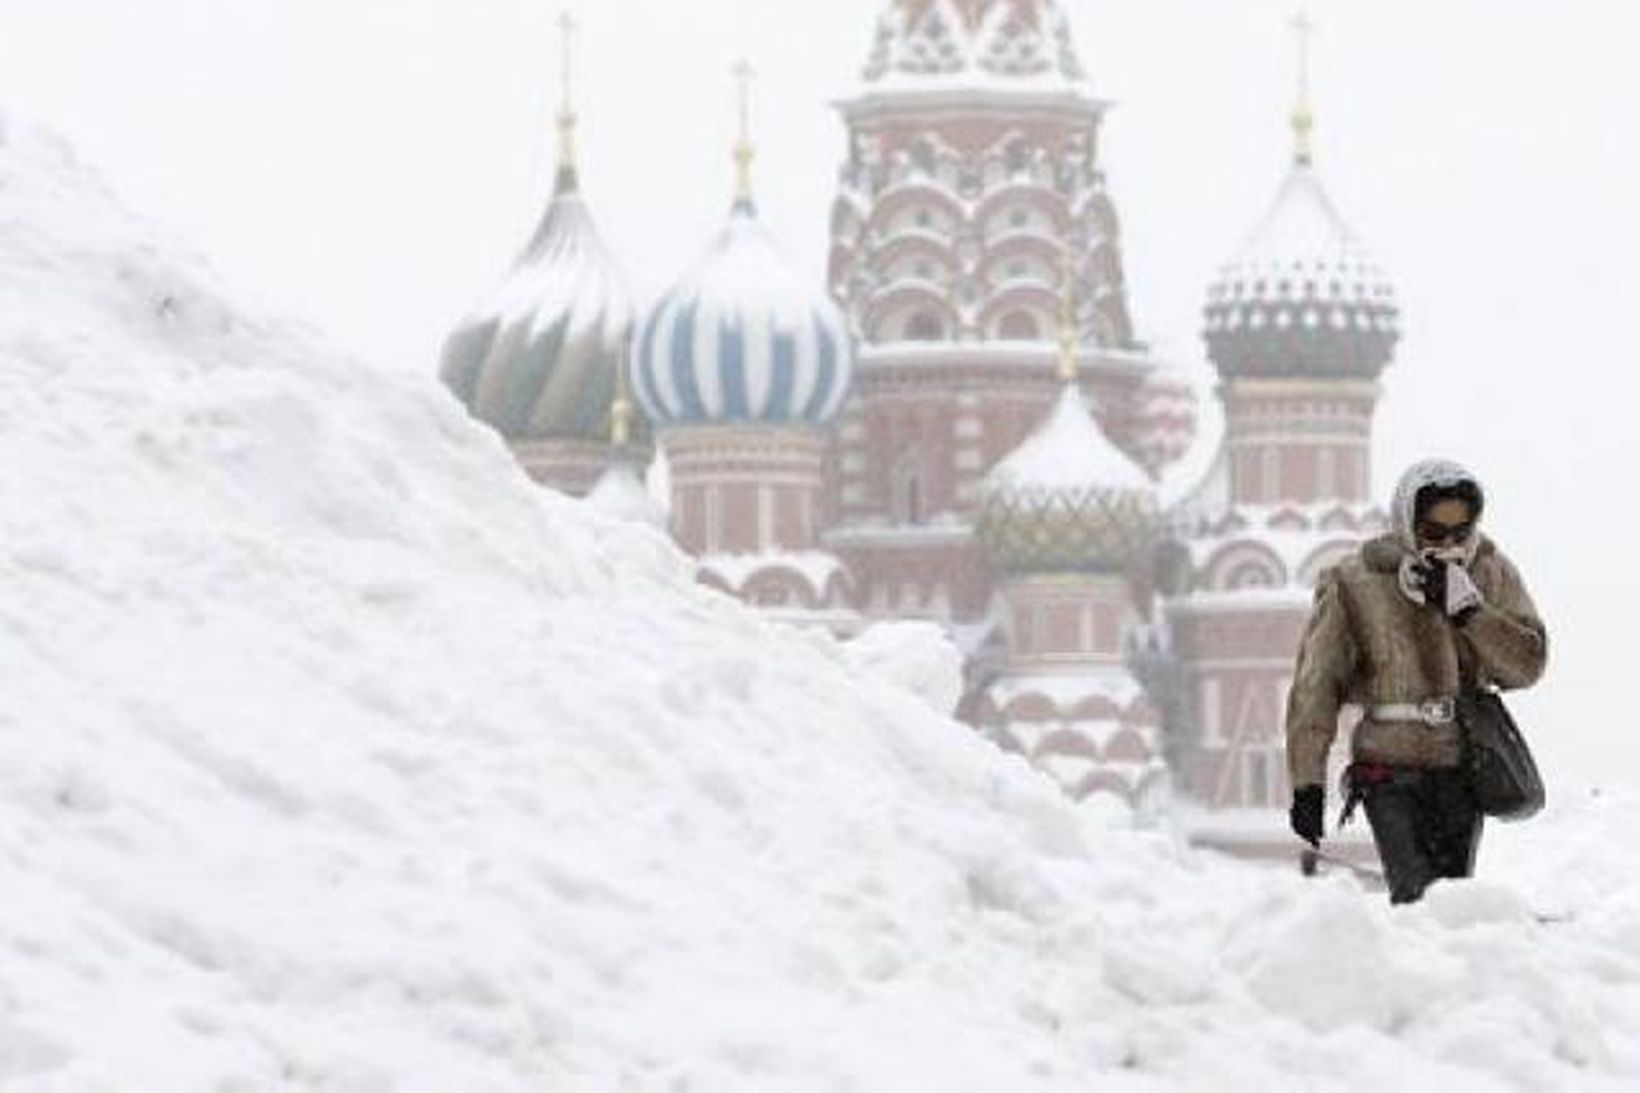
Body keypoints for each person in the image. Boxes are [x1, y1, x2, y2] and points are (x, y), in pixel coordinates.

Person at [1285, 459, 1547, 903]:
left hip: (1462, 764)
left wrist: (1471, 613)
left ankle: (1444, 970)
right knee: (1414, 895)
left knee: (1449, 898)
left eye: (1460, 533)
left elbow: (1527, 667)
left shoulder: (1489, 570)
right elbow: (1317, 685)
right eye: (1433, 532)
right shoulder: (1356, 579)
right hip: (1387, 768)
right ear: (1407, 522)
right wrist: (1307, 784)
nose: (1447, 545)